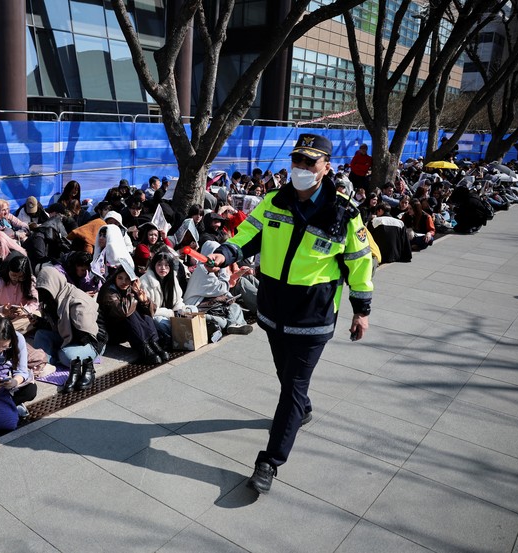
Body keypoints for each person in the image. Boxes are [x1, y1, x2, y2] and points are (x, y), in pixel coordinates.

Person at [208, 134, 373, 495]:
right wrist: (226, 252)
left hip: (312, 316)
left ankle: (270, 461)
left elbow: (359, 265)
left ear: (326, 167)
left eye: (309, 163)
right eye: (296, 160)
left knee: (293, 386)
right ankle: (303, 407)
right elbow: (250, 234)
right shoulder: (273, 200)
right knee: (286, 375)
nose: (300, 168)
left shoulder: (344, 212)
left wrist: (361, 310)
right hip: (273, 309)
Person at [34, 267, 107, 393]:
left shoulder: (76, 300)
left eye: (46, 290)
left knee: (66, 356)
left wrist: (62, 344)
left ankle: (59, 359)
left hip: (92, 341)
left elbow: (85, 335)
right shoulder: (53, 298)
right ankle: (49, 359)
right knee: (40, 335)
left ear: (54, 285)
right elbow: (56, 327)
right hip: (68, 336)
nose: (44, 294)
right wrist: (40, 321)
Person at [97, 264, 170, 365]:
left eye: (127, 279)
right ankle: (144, 348)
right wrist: (134, 294)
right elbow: (123, 312)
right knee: (130, 313)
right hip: (110, 332)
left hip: (127, 329)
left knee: (143, 311)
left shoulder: (130, 287)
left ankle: (153, 343)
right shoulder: (108, 290)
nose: (123, 282)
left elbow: (151, 312)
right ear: (115, 278)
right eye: (120, 278)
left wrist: (144, 301)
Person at [0, 255, 41, 333]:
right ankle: (10, 332)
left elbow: (35, 304)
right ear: (8, 271)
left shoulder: (30, 281)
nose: (16, 279)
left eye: (20, 277)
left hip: (19, 318)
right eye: (14, 275)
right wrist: (2, 309)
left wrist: (24, 310)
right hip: (0, 316)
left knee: (37, 314)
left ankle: (1, 331)